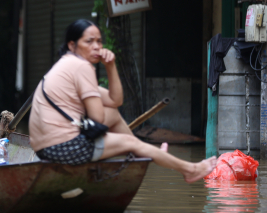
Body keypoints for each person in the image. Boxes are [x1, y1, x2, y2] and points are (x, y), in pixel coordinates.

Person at [29, 19, 217, 183]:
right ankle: (190, 170)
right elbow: (97, 118)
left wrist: (110, 66)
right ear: (72, 45)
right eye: (89, 41)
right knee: (131, 142)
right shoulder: (81, 66)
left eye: (99, 41)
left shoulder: (68, 64)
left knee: (113, 114)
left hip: (45, 148)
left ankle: (142, 153)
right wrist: (126, 141)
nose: (97, 47)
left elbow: (115, 101)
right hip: (62, 148)